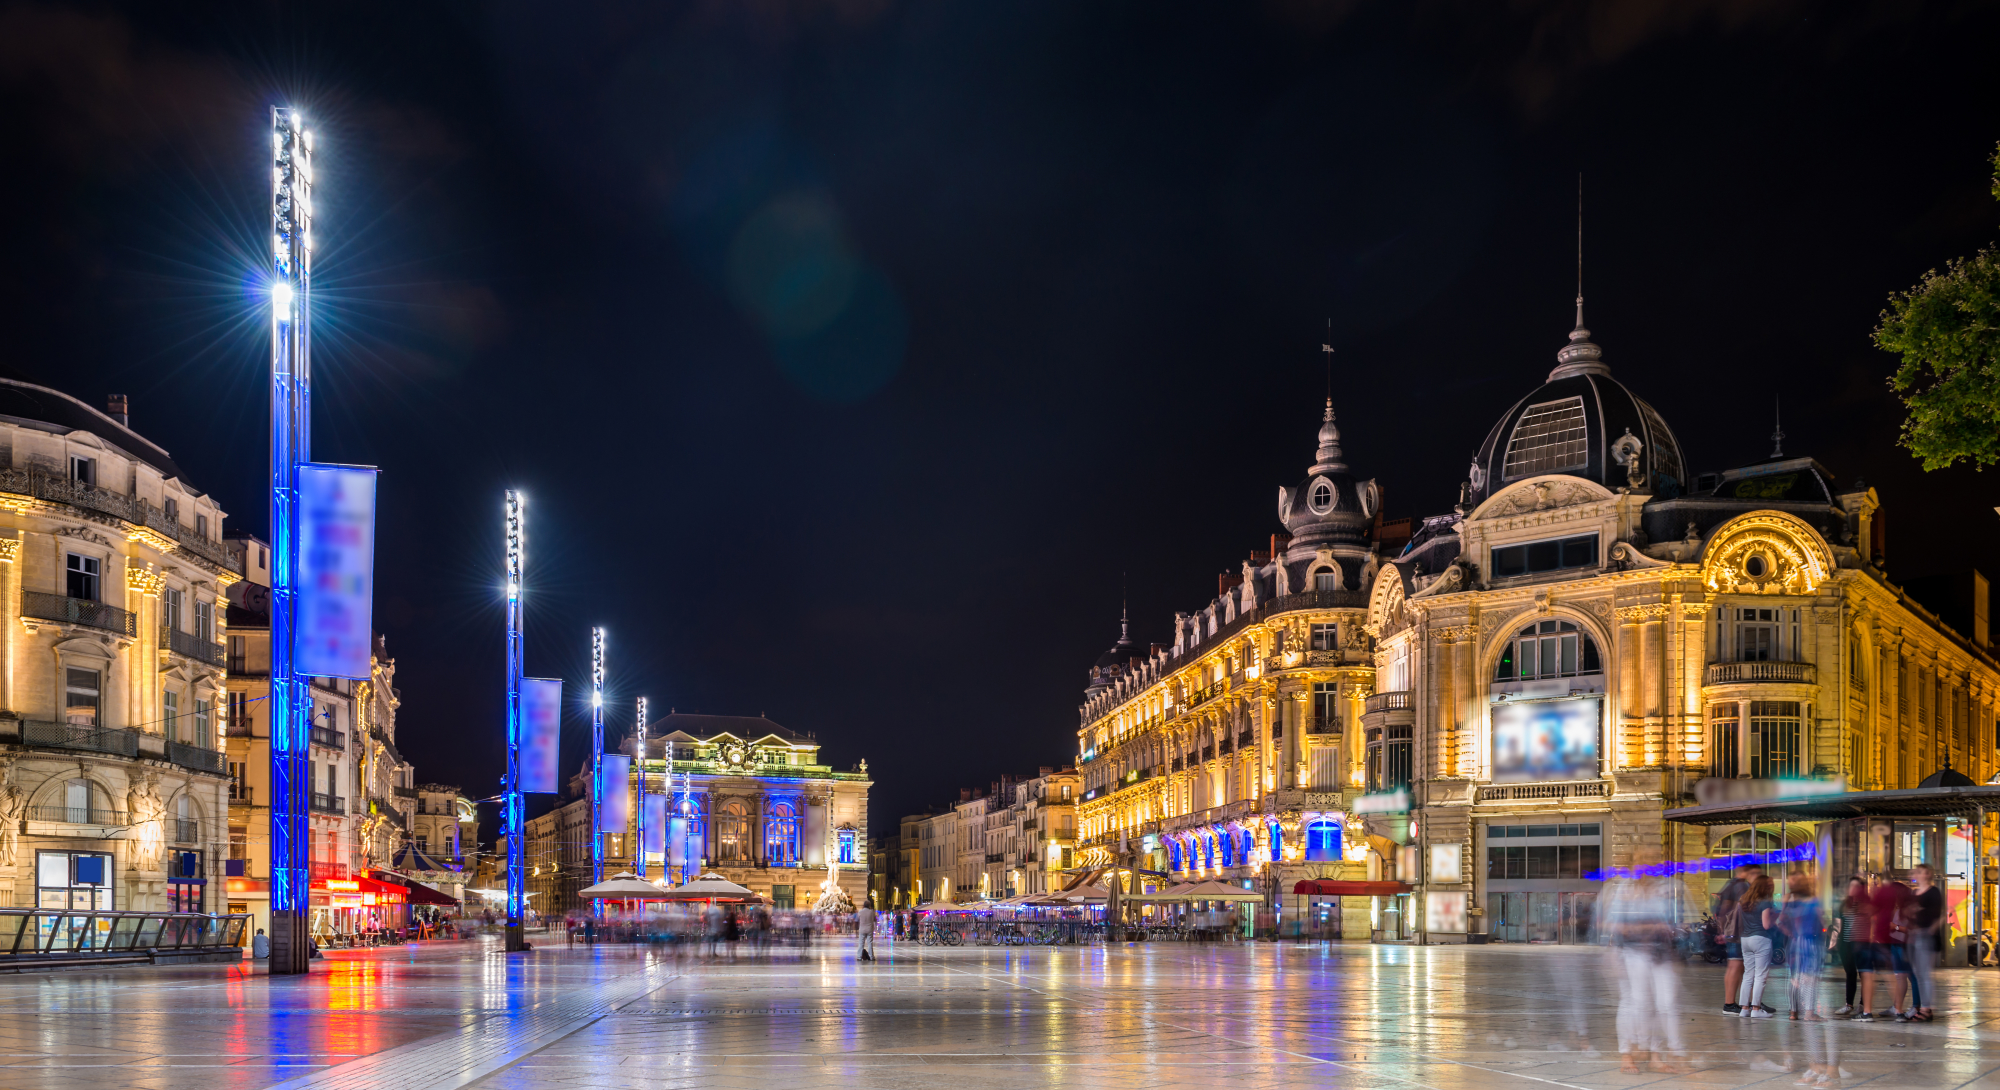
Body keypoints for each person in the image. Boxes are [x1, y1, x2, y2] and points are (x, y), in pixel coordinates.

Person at [1857, 874, 1911, 1021]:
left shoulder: (1883, 895)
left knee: (1871, 975)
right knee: (1891, 976)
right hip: (1887, 940)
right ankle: (1898, 1011)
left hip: (1882, 941)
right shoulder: (1889, 898)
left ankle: (1869, 1012)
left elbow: (1870, 912)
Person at [1715, 864, 1757, 1012]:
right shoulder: (1740, 886)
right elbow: (1743, 907)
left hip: (1731, 929)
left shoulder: (1730, 884)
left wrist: (1722, 930)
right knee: (1736, 966)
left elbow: (1721, 909)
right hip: (1737, 930)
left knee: (1736, 966)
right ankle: (1731, 1004)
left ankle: (1740, 1002)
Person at [1905, 864, 1943, 1022]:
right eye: (1918, 872)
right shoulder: (1914, 892)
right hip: (1914, 935)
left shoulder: (1933, 892)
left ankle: (1927, 1009)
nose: (1919, 875)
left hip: (1926, 936)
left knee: (1924, 974)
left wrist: (1931, 929)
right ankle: (1923, 1007)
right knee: (1917, 973)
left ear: (1928, 875)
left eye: (1922, 872)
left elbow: (1939, 915)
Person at [1737, 873, 1778, 1018]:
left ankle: (1744, 1009)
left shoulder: (1744, 900)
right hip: (1760, 938)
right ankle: (1756, 1009)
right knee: (1760, 975)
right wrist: (1775, 919)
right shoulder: (1765, 902)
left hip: (1745, 939)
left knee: (1748, 974)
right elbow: (1766, 925)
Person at [1833, 877, 1869, 1016]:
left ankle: (1863, 1004)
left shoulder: (1866, 904)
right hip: (1846, 944)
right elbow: (1837, 925)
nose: (1853, 889)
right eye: (1851, 886)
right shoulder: (1844, 904)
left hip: (1862, 944)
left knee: (1864, 974)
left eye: (1856, 886)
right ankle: (1849, 1004)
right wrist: (1834, 942)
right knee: (1850, 973)